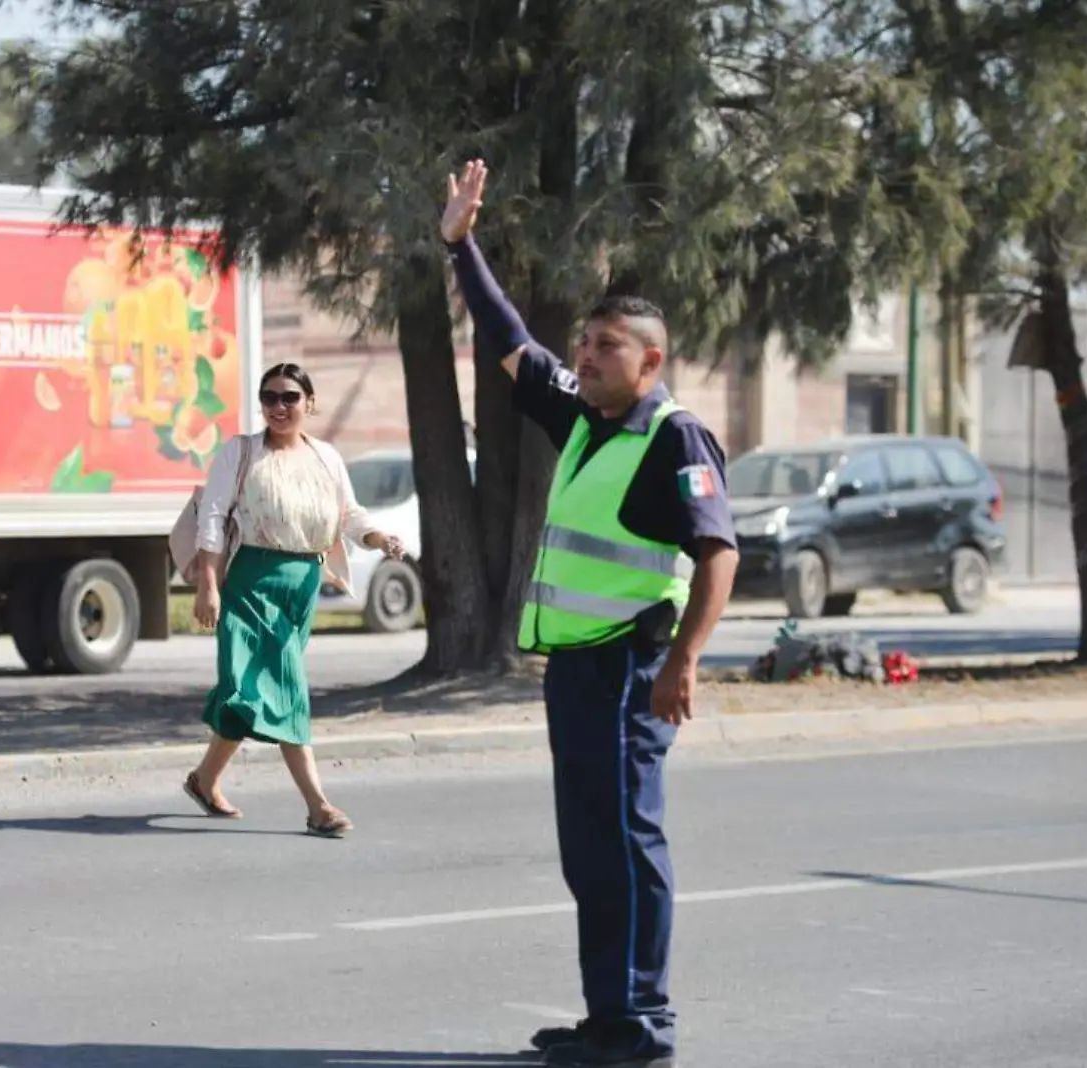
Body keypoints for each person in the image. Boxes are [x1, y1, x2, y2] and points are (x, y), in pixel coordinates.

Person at [441, 159, 739, 1067]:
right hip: (575, 669)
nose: (586, 355)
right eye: (587, 342)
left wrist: (685, 662)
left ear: (650, 361)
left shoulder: (671, 435)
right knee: (589, 848)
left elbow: (718, 550)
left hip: (629, 669)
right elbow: (508, 338)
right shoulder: (582, 418)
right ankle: (606, 1013)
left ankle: (641, 1023)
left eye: (608, 345)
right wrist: (460, 245)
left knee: (626, 839)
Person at [181, 363, 407, 837]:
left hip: (302, 585)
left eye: (289, 398)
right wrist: (207, 583)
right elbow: (214, 518)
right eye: (269, 398)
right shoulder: (240, 453)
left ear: (310, 403)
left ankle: (204, 780)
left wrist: (378, 538)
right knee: (285, 688)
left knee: (250, 690)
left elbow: (349, 515)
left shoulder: (325, 457)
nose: (278, 407)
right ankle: (318, 805)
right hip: (251, 583)